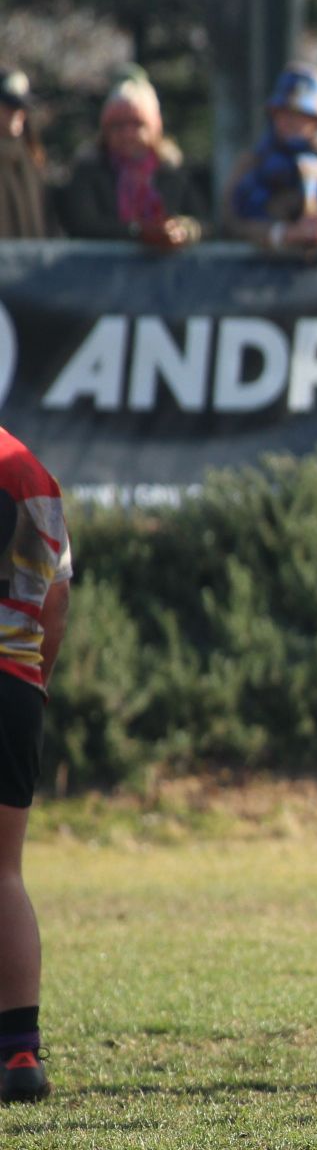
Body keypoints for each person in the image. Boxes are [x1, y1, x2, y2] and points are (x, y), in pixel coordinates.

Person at [0, 426, 72, 1104]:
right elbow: (54, 602)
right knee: (4, 871)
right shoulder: (29, 472)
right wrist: (33, 675)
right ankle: (19, 1053)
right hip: (12, 685)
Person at [222, 63, 317, 261]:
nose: (290, 121)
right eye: (283, 112)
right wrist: (283, 233)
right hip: (260, 271)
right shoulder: (255, 158)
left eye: (302, 114)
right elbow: (230, 221)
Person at [56, 67, 207, 249]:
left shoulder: (172, 172)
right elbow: (82, 224)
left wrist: (182, 230)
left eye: (137, 125)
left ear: (154, 129)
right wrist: (138, 232)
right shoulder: (88, 171)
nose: (128, 134)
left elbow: (203, 222)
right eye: (118, 126)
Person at [0, 71, 53, 240]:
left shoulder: (31, 156)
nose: (17, 113)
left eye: (21, 107)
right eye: (9, 107)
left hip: (30, 260)